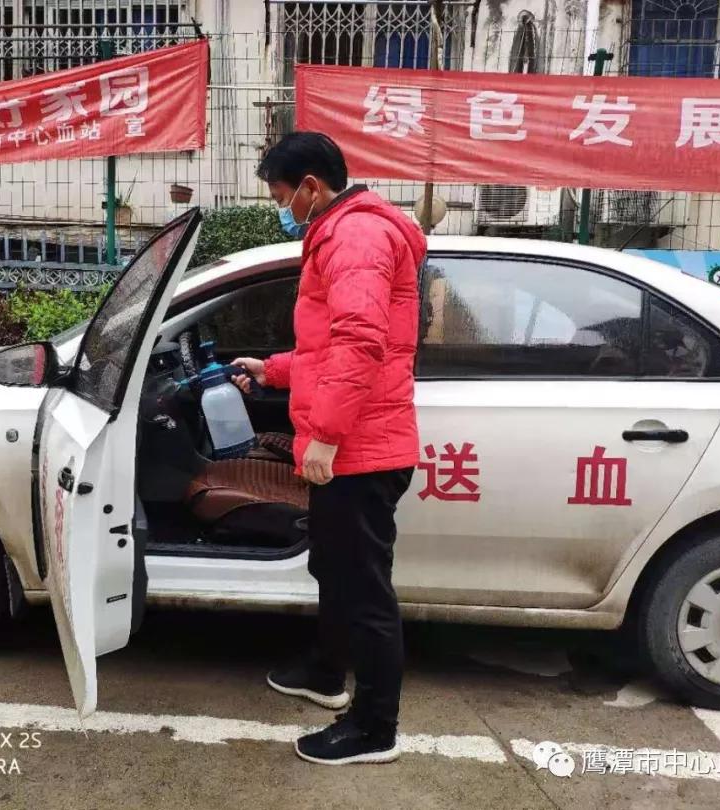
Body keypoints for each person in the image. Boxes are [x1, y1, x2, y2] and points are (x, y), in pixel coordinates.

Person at [232, 131, 425, 765]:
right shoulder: (342, 232)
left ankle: (374, 728)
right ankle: (325, 670)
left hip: (359, 449)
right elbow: (326, 350)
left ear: (312, 187)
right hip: (356, 441)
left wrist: (328, 437)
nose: (281, 208)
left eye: (281, 196)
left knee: (364, 591)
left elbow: (361, 343)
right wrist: (272, 370)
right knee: (335, 571)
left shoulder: (356, 236)